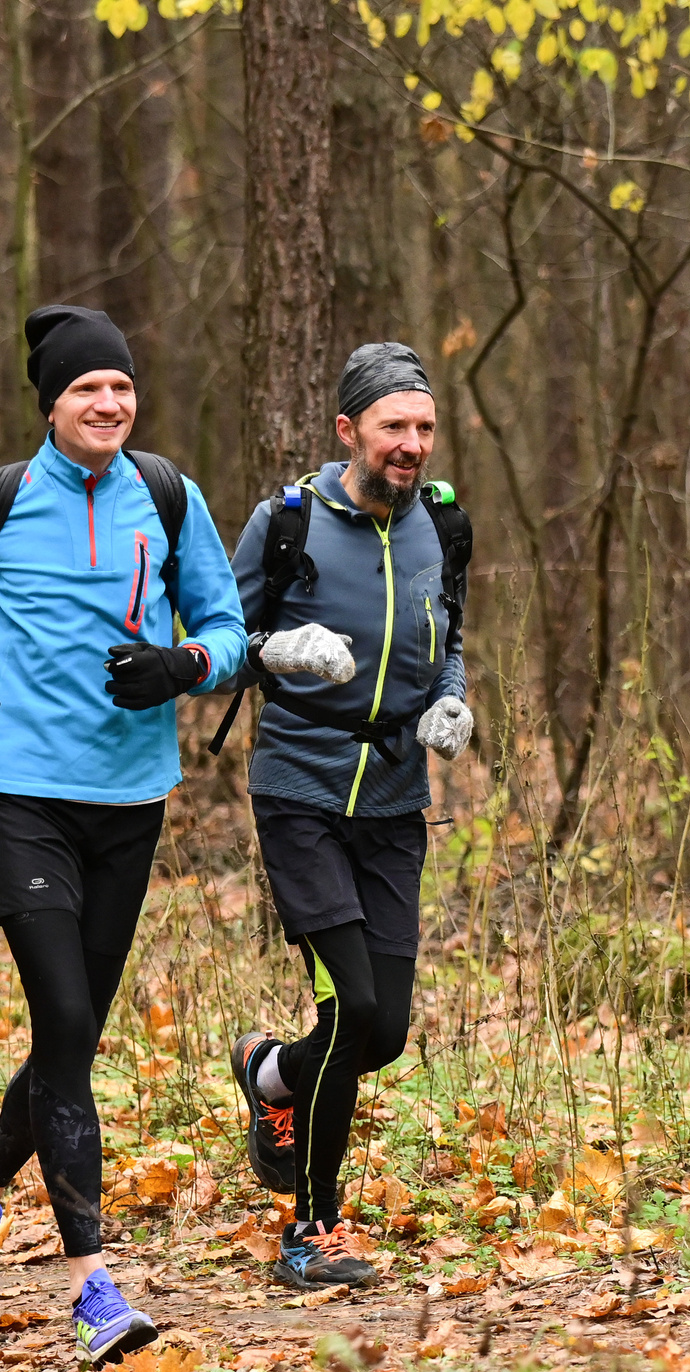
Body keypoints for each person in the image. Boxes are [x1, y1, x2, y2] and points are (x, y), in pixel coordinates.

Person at [0, 305, 249, 1367]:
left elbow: (228, 631)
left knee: (67, 1039)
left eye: (122, 388)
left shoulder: (168, 498)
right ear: (53, 403)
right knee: (68, 1019)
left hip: (129, 801)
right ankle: (94, 1289)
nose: (110, 404)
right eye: (90, 389)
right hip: (17, 790)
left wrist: (186, 667)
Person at [221, 342, 474, 1291]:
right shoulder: (286, 524)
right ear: (347, 431)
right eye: (392, 427)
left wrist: (453, 700)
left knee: (388, 1031)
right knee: (353, 1007)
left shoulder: (442, 526)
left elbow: (449, 640)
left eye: (423, 428)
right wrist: (286, 647)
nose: (410, 446)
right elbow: (225, 647)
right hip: (301, 795)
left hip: (396, 801)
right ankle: (312, 1229)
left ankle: (271, 1076)